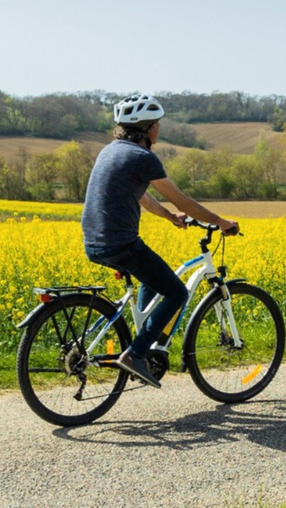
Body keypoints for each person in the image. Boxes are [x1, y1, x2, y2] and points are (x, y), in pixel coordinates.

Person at [81, 94, 239, 388]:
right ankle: (135, 354)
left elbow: (140, 195)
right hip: (120, 243)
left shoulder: (111, 151)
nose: (159, 128)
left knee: (151, 280)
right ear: (147, 128)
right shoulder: (143, 157)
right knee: (177, 293)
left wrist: (169, 217)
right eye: (157, 124)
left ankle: (145, 341)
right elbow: (182, 200)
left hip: (93, 242)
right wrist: (220, 221)